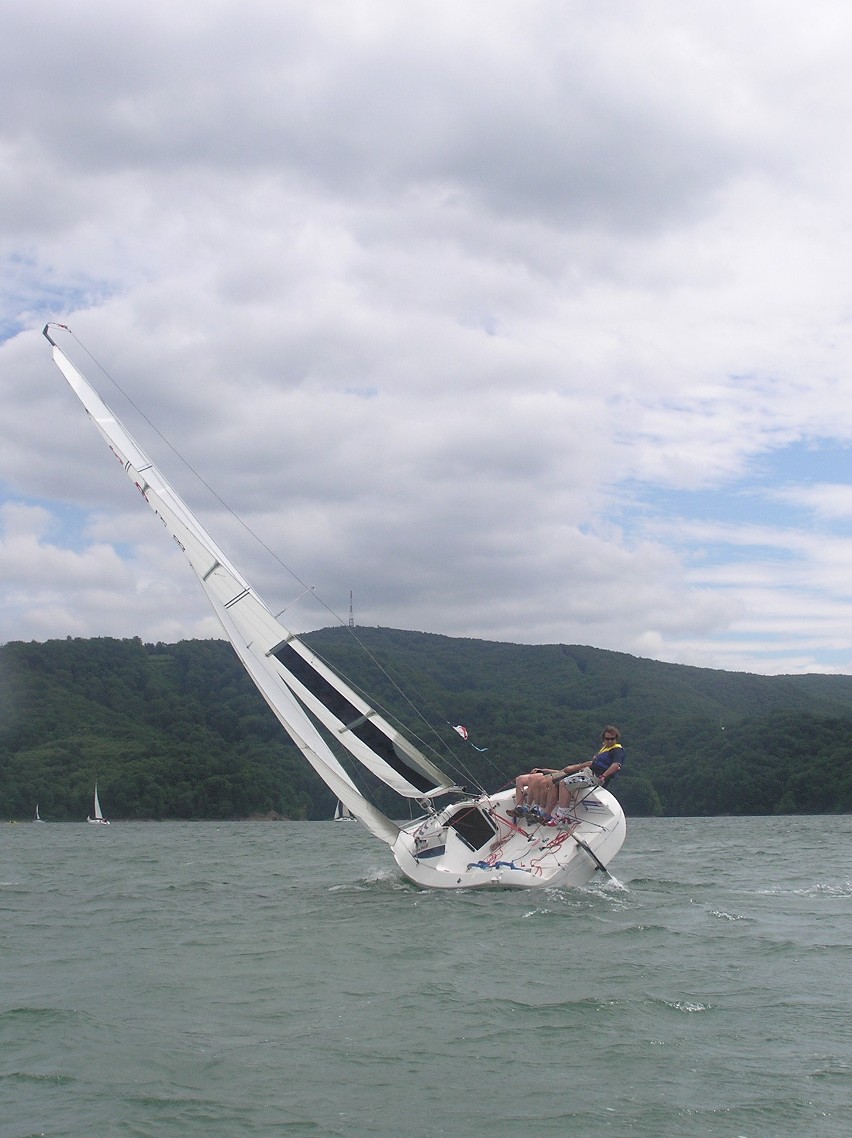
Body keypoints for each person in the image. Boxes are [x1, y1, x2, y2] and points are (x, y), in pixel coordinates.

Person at [510, 727, 624, 821]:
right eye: (607, 739)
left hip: (594, 776)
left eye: (612, 739)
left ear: (616, 739)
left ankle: (560, 814)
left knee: (561, 783)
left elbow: (616, 765)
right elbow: (566, 770)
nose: (609, 741)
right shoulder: (604, 749)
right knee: (556, 783)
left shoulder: (617, 750)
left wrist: (603, 776)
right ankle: (544, 813)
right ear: (603, 739)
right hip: (585, 772)